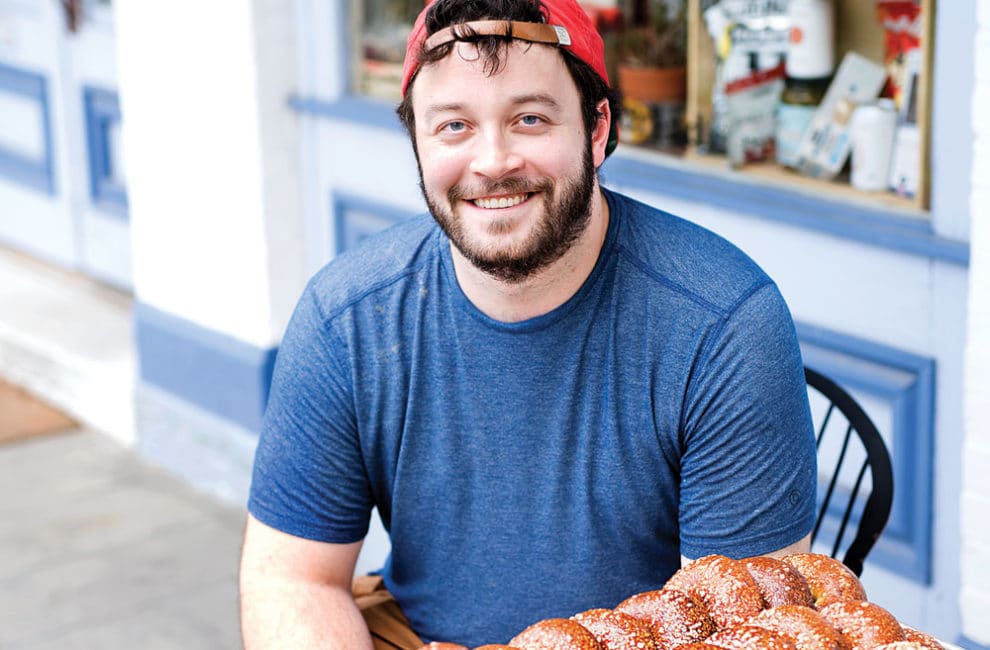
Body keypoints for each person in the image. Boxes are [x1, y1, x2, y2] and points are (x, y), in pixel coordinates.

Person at [239, 0, 818, 648]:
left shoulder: (725, 326)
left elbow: (742, 630)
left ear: (597, 130)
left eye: (530, 118)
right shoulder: (345, 321)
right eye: (454, 125)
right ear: (418, 145)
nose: (493, 161)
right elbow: (293, 581)